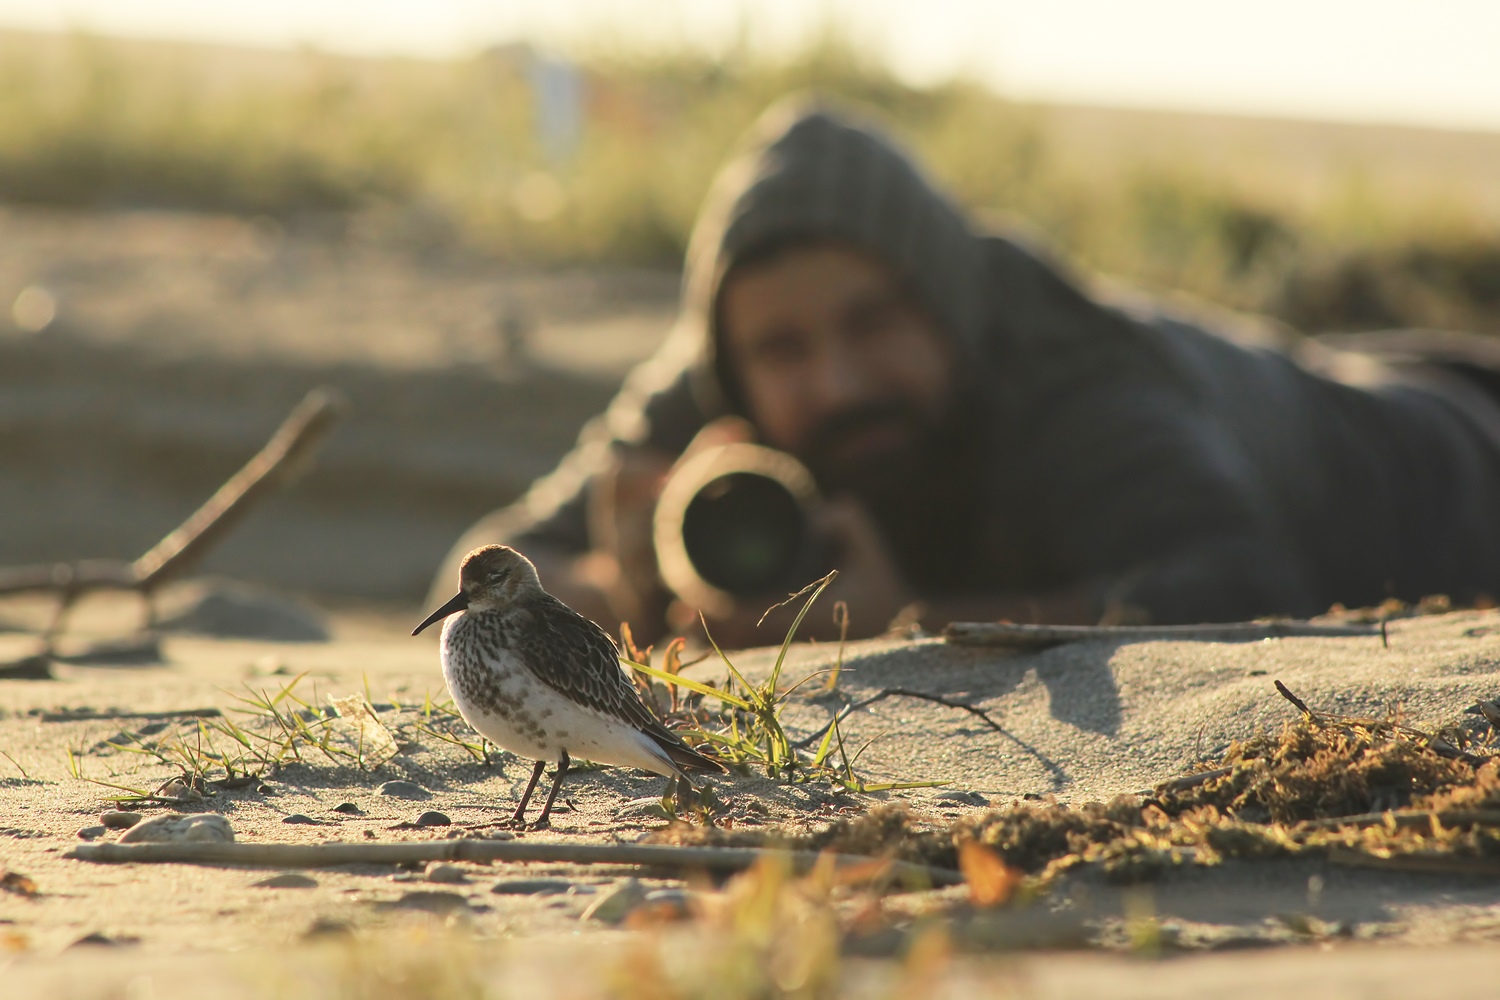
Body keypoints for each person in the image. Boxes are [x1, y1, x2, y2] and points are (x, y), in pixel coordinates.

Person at [432, 97, 1500, 646]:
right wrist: (613, 589)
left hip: (1451, 459)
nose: (837, 379)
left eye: (874, 321)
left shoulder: (1066, 371)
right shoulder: (709, 387)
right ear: (733, 357)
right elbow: (477, 576)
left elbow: (1240, 585)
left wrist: (915, 618)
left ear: (945, 307)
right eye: (786, 350)